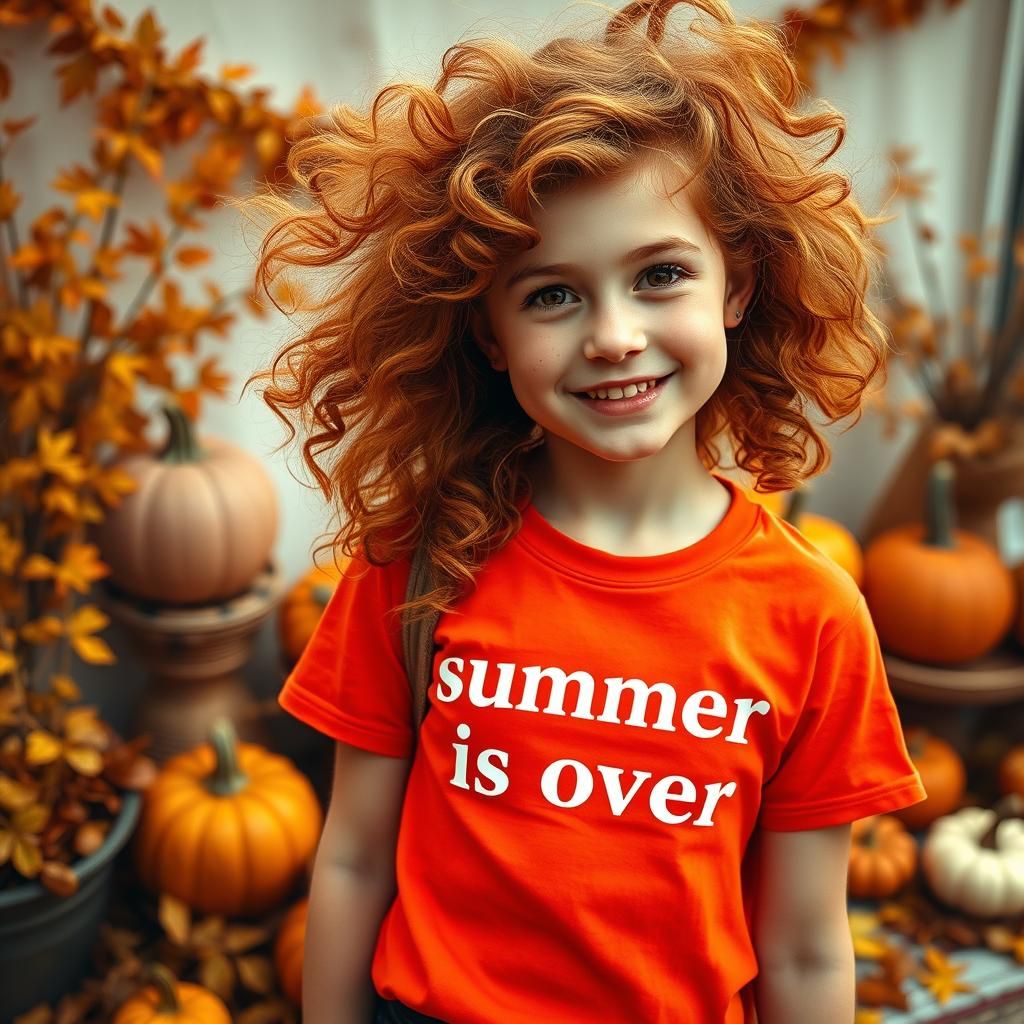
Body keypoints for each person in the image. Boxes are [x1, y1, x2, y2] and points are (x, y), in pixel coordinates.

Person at [252, 1, 927, 1021]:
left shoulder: (813, 616)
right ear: (487, 334)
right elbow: (351, 860)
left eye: (659, 276)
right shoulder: (418, 565)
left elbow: (801, 948)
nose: (613, 336)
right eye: (551, 295)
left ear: (735, 285)